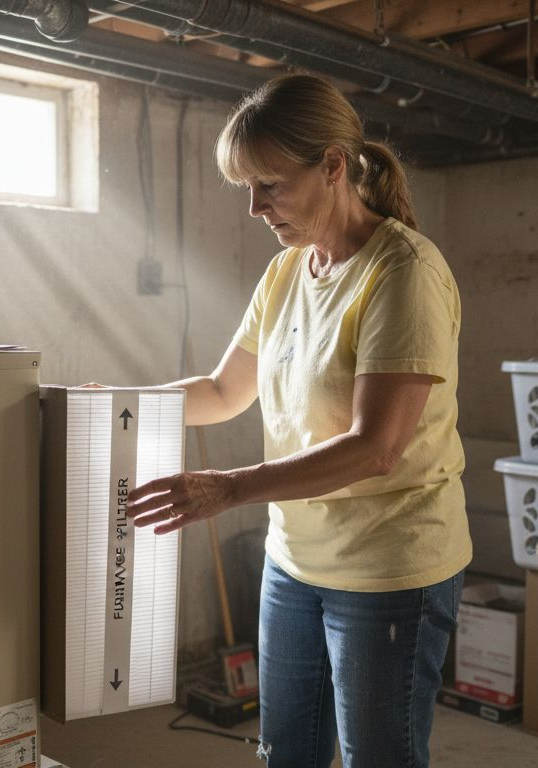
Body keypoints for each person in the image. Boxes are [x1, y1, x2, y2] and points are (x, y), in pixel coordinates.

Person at [124, 73, 471, 768]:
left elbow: (377, 448)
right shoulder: (287, 273)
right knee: (288, 754)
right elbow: (225, 390)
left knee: (381, 758)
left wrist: (229, 489)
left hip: (387, 567)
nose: (255, 208)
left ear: (334, 167)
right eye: (246, 188)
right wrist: (124, 407)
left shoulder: (402, 272)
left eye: (270, 185)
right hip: (294, 561)